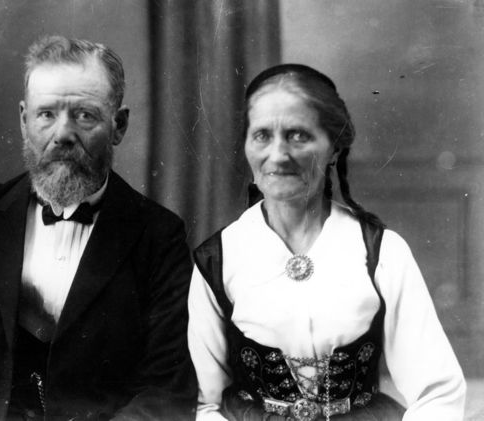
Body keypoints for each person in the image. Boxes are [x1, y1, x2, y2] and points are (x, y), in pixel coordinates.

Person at [0, 35, 196, 420]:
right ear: (23, 121)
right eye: (46, 114)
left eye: (85, 115)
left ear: (119, 125)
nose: (62, 134)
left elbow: (167, 390)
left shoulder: (159, 236)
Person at [187, 64, 465, 420]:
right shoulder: (219, 258)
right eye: (262, 136)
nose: (277, 155)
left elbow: (438, 393)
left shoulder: (382, 252)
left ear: (334, 148)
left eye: (298, 135)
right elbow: (203, 405)